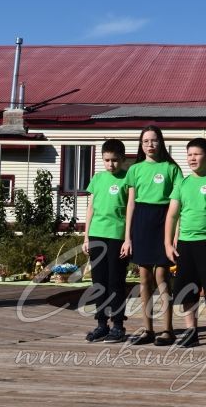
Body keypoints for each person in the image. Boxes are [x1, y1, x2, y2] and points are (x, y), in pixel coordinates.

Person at [164, 138, 206, 348]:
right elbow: (172, 215)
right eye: (189, 154)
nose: (192, 158)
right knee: (187, 290)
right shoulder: (182, 184)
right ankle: (190, 331)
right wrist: (168, 243)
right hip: (186, 244)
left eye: (197, 154)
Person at [124, 126, 183, 346]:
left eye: (154, 140)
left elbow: (178, 204)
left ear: (161, 143)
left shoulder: (171, 168)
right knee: (145, 278)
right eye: (146, 141)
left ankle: (168, 330)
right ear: (141, 145)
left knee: (162, 277)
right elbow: (130, 204)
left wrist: (175, 234)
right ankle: (147, 329)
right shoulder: (135, 169)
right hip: (141, 221)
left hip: (163, 220)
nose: (150, 145)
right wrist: (127, 236)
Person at [82, 139, 131, 343]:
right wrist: (86, 236)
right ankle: (102, 323)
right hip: (97, 234)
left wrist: (128, 238)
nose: (111, 164)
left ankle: (118, 325)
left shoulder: (128, 179)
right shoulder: (98, 178)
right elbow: (91, 207)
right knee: (99, 282)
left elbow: (130, 210)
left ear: (123, 159)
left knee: (115, 282)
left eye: (115, 160)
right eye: (107, 160)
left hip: (117, 236)